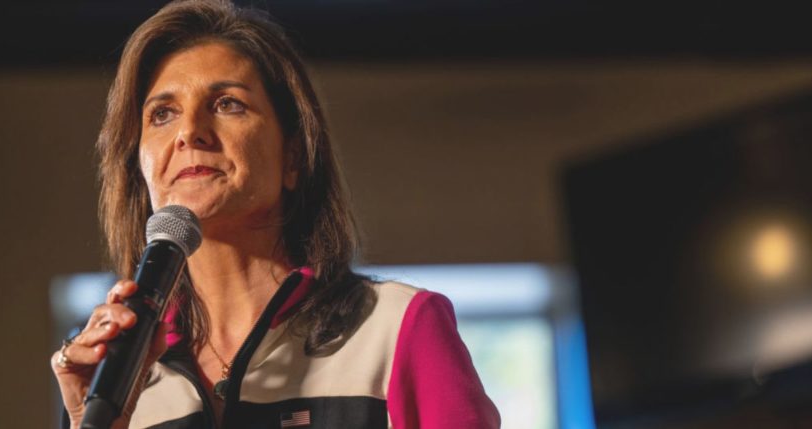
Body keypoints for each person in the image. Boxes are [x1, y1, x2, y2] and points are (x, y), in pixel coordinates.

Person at [50, 1, 500, 428]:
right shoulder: (120, 374)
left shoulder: (398, 326)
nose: (189, 132)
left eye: (228, 104)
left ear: (294, 157)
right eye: (162, 114)